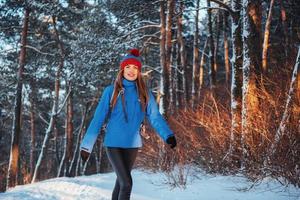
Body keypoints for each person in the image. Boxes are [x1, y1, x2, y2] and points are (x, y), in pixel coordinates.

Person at [79, 48, 177, 200]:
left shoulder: (144, 93)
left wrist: (168, 135)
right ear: (122, 70)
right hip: (113, 143)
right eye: (128, 67)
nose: (131, 71)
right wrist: (87, 146)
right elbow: (97, 119)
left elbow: (155, 116)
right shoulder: (111, 91)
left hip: (132, 145)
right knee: (127, 184)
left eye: (135, 68)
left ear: (139, 71)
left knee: (120, 184)